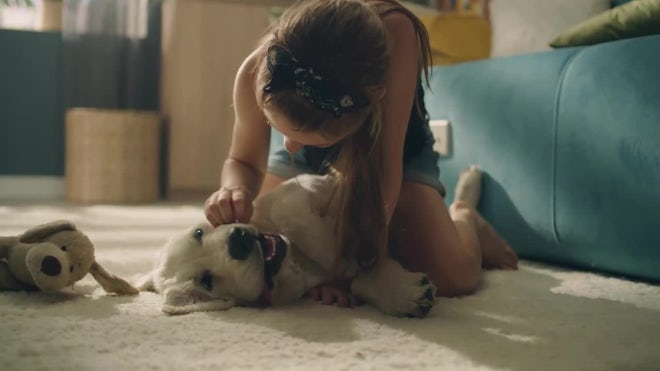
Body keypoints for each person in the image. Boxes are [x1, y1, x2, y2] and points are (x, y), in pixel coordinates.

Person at [204, 0, 518, 307]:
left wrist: (347, 270)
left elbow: (384, 173)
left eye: (309, 138)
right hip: (307, 164)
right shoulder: (259, 70)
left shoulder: (397, 32)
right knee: (266, 243)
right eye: (280, 130)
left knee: (451, 278)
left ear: (372, 102)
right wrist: (235, 189)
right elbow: (243, 161)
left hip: (395, 155)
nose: (289, 146)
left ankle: (464, 217)